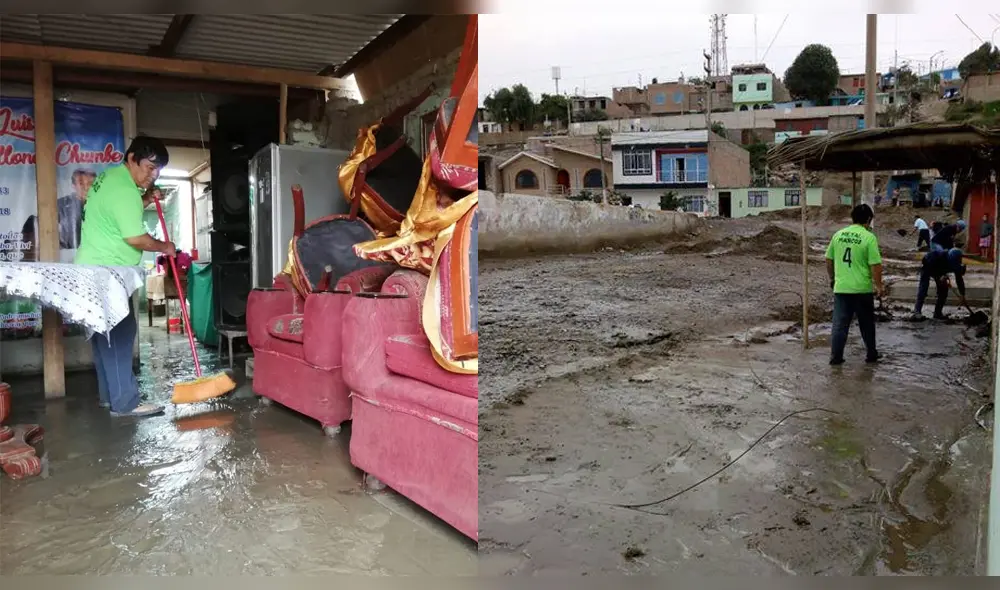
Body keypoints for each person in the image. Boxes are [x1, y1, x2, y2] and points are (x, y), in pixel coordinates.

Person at [76, 136, 175, 418]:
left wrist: (146, 199)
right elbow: (135, 237)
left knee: (103, 336)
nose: (153, 175)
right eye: (149, 168)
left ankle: (109, 397)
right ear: (132, 159)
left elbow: (118, 215)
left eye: (157, 171)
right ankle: (125, 403)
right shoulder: (125, 190)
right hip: (108, 273)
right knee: (120, 334)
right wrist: (165, 246)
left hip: (92, 269)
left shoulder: (109, 178)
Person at [826, 203, 884, 366]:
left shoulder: (838, 235)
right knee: (866, 324)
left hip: (842, 288)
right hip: (862, 289)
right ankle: (871, 354)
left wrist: (832, 278)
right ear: (868, 219)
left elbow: (828, 259)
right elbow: (875, 265)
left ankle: (836, 357)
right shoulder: (869, 237)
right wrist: (879, 286)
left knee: (840, 325)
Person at [913, 247, 967, 320]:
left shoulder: (957, 263)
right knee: (923, 289)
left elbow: (959, 279)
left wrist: (962, 294)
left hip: (941, 271)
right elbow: (927, 264)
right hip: (928, 266)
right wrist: (939, 276)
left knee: (943, 291)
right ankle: (917, 312)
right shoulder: (936, 256)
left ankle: (937, 313)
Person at [57, 168, 97, 259]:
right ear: (73, 186)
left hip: (97, 255)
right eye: (81, 183)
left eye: (90, 183)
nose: (86, 188)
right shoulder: (60, 205)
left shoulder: (104, 204)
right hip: (67, 256)